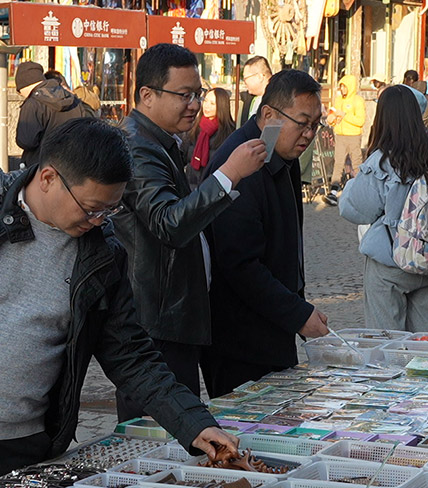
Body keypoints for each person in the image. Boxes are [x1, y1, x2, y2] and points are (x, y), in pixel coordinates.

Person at [0, 118, 240, 487]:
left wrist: (193, 423)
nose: (100, 220)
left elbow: (132, 356)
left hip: (15, 452)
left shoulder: (102, 256)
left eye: (111, 209)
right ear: (48, 177)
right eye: (92, 208)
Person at [113, 44, 266, 421]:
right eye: (184, 95)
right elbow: (168, 222)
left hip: (172, 315)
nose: (195, 105)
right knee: (160, 431)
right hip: (156, 321)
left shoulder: (159, 141)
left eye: (198, 94)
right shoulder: (137, 147)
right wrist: (229, 173)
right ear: (147, 95)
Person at [202, 69, 330, 397]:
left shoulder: (282, 154)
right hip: (239, 342)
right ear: (269, 115)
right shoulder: (240, 162)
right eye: (302, 123)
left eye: (316, 124)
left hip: (273, 329)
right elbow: (239, 264)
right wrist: (297, 314)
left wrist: (297, 308)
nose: (309, 134)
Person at [338, 84, 428, 332]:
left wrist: (349, 188)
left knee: (387, 341)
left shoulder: (382, 160)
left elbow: (357, 209)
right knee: (426, 342)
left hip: (390, 261)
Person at [16, 61, 94, 168]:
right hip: (72, 166)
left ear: (23, 85)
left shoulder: (33, 103)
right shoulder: (72, 99)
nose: (20, 94)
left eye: (19, 91)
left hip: (41, 167)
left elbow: (26, 141)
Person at [324, 75, 366, 206]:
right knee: (338, 163)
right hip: (340, 136)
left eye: (344, 86)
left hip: (353, 136)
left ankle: (361, 192)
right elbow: (333, 114)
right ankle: (333, 192)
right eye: (341, 86)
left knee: (356, 164)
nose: (342, 89)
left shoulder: (358, 101)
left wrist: (345, 116)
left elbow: (360, 121)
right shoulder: (338, 100)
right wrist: (331, 119)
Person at [183, 87, 236, 188]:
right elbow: (183, 155)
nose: (207, 106)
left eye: (212, 103)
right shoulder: (194, 127)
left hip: (214, 188)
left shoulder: (229, 133)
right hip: (191, 187)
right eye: (205, 101)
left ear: (221, 106)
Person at [238, 56, 272, 127]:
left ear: (260, 77)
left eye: (246, 78)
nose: (244, 82)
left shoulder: (279, 99)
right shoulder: (247, 99)